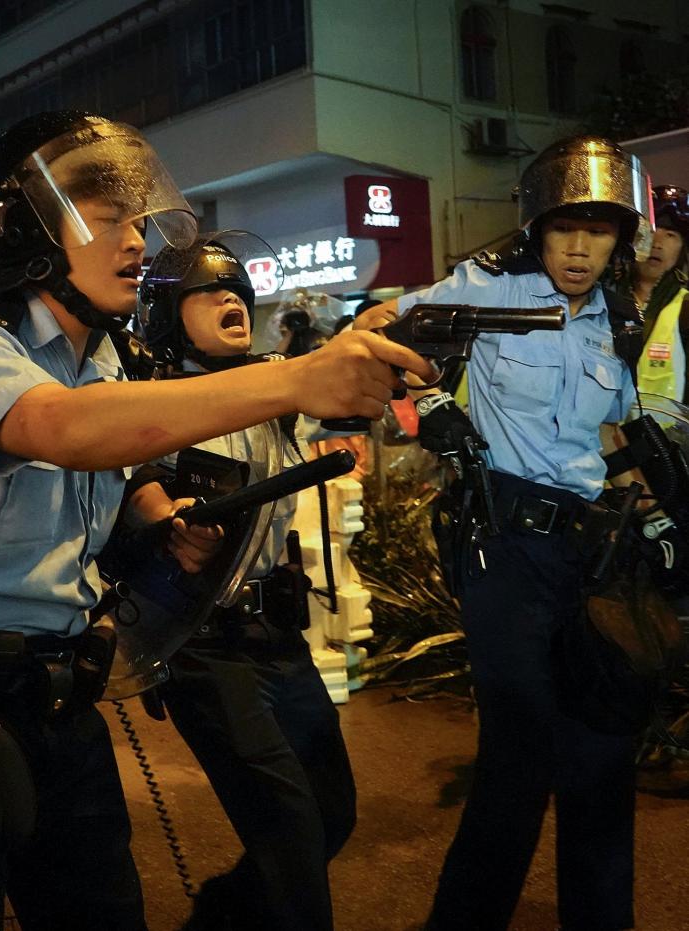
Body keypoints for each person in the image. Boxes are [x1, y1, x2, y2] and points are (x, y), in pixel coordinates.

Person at [0, 110, 433, 930]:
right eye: (107, 220)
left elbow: (121, 464)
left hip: (65, 695)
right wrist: (294, 378)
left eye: (139, 221)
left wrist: (162, 515)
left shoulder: (108, 356)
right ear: (28, 230)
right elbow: (66, 431)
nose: (135, 243)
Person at [359, 135, 652, 930]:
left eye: (600, 231)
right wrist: (432, 413)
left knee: (600, 756)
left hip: (589, 555)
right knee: (518, 760)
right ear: (537, 228)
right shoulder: (484, 287)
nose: (582, 248)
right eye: (566, 229)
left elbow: (622, 434)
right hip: (505, 548)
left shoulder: (618, 320)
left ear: (623, 238)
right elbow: (385, 361)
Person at [127, 234, 356, 930]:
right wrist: (165, 519)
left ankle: (218, 920)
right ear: (169, 311)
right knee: (290, 837)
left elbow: (350, 380)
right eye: (210, 291)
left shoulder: (278, 387)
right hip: (205, 647)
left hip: (279, 638)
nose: (233, 299)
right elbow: (132, 479)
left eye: (239, 292)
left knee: (332, 815)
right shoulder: (155, 396)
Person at [614, 183, 689, 403]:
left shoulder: (685, 306)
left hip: (670, 434)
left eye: (671, 235)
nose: (657, 243)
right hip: (611, 433)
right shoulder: (604, 298)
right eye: (651, 232)